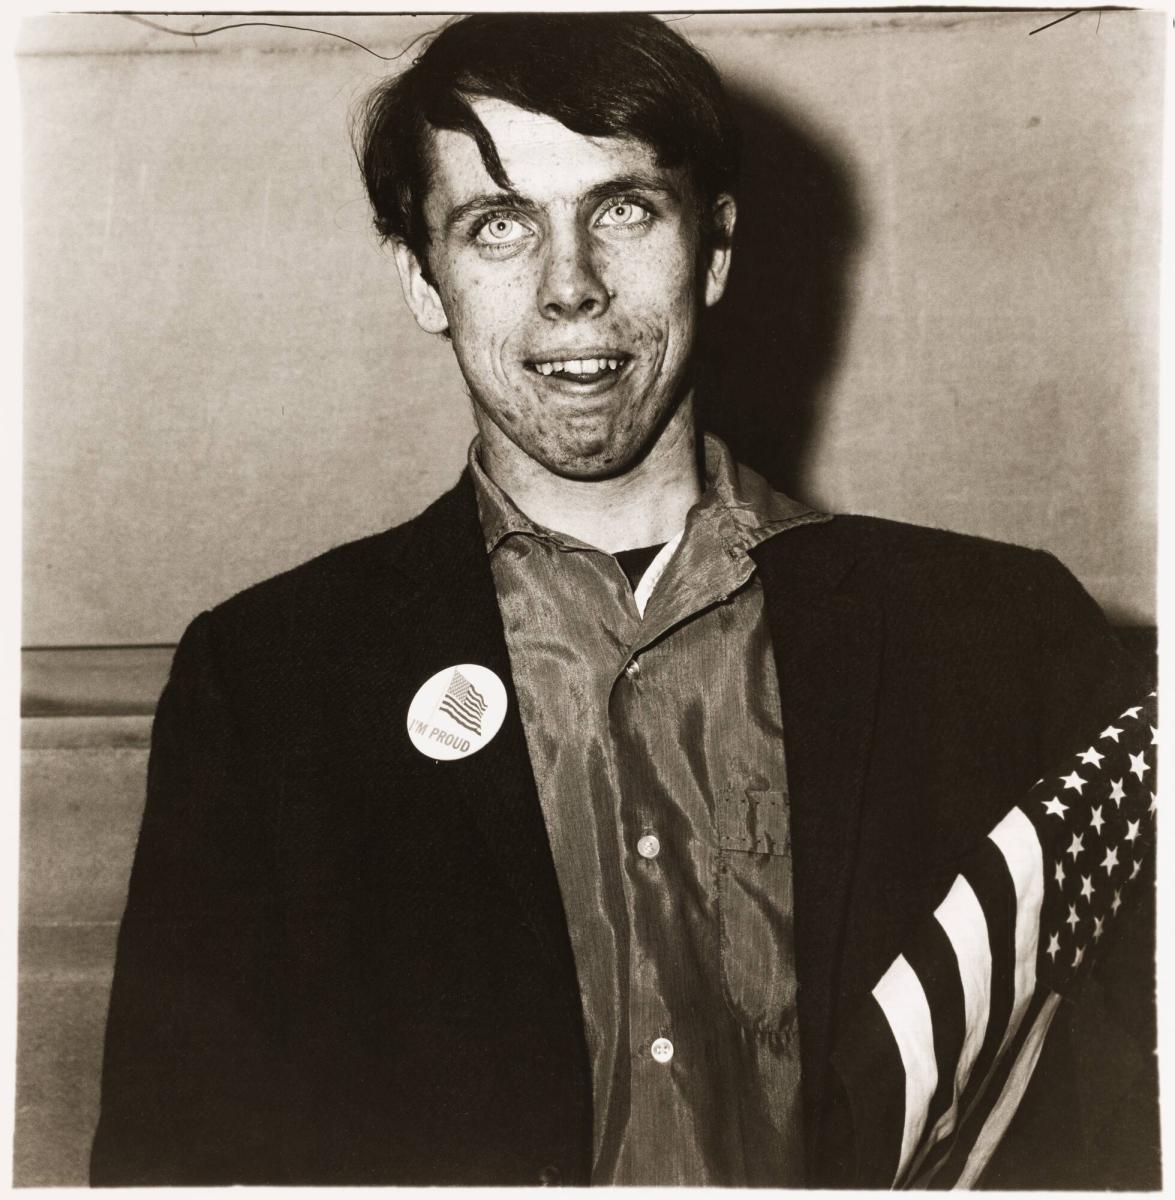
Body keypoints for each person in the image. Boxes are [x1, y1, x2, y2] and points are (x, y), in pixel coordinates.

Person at [90, 12, 1156, 1188]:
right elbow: (170, 1161)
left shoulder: (1002, 642)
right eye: (498, 226)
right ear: (421, 278)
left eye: (622, 210)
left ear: (712, 248)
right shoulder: (267, 686)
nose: (570, 288)